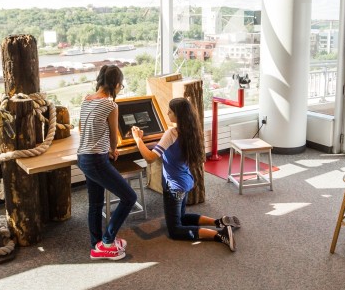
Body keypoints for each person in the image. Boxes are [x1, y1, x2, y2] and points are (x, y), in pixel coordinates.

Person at [131, 97, 240, 251]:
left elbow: (149, 158)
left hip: (174, 188)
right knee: (181, 217)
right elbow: (167, 146)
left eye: (170, 111)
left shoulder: (171, 133)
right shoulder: (191, 131)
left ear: (178, 115)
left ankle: (220, 234)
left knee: (175, 230)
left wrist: (137, 140)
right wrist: (148, 143)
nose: (167, 113)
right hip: (185, 182)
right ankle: (218, 222)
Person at [77, 64, 137, 260]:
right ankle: (108, 241)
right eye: (120, 86)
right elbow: (114, 135)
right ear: (116, 84)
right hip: (96, 159)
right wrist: (113, 149)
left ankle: (97, 245)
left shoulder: (86, 100)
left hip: (84, 157)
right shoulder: (110, 105)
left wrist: (104, 148)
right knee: (129, 197)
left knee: (95, 203)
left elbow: (81, 128)